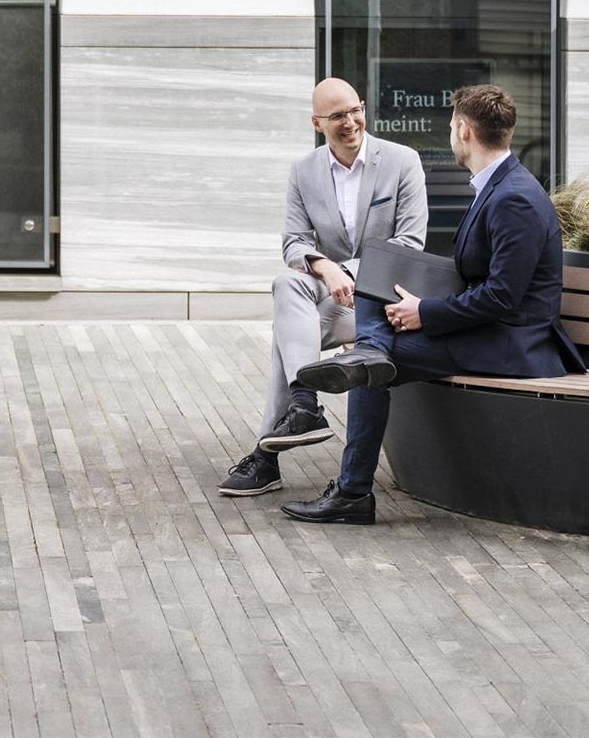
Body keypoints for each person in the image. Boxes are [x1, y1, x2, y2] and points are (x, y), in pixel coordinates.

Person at [283, 83, 584, 525]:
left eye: (449, 127)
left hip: (513, 345)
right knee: (382, 273)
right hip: (490, 331)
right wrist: (418, 299)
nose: (448, 134)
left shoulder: (514, 197)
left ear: (463, 130)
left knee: (371, 367)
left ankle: (352, 493)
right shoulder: (498, 185)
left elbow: (503, 295)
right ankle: (370, 351)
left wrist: (425, 313)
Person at [218, 77, 427, 497]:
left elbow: (409, 244)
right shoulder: (304, 170)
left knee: (287, 336)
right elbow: (293, 241)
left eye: (355, 110)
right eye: (337, 116)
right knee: (286, 284)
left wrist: (343, 271)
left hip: (381, 302)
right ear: (317, 123)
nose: (350, 122)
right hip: (333, 297)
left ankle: (271, 451)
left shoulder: (403, 161)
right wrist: (321, 265)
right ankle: (304, 405)